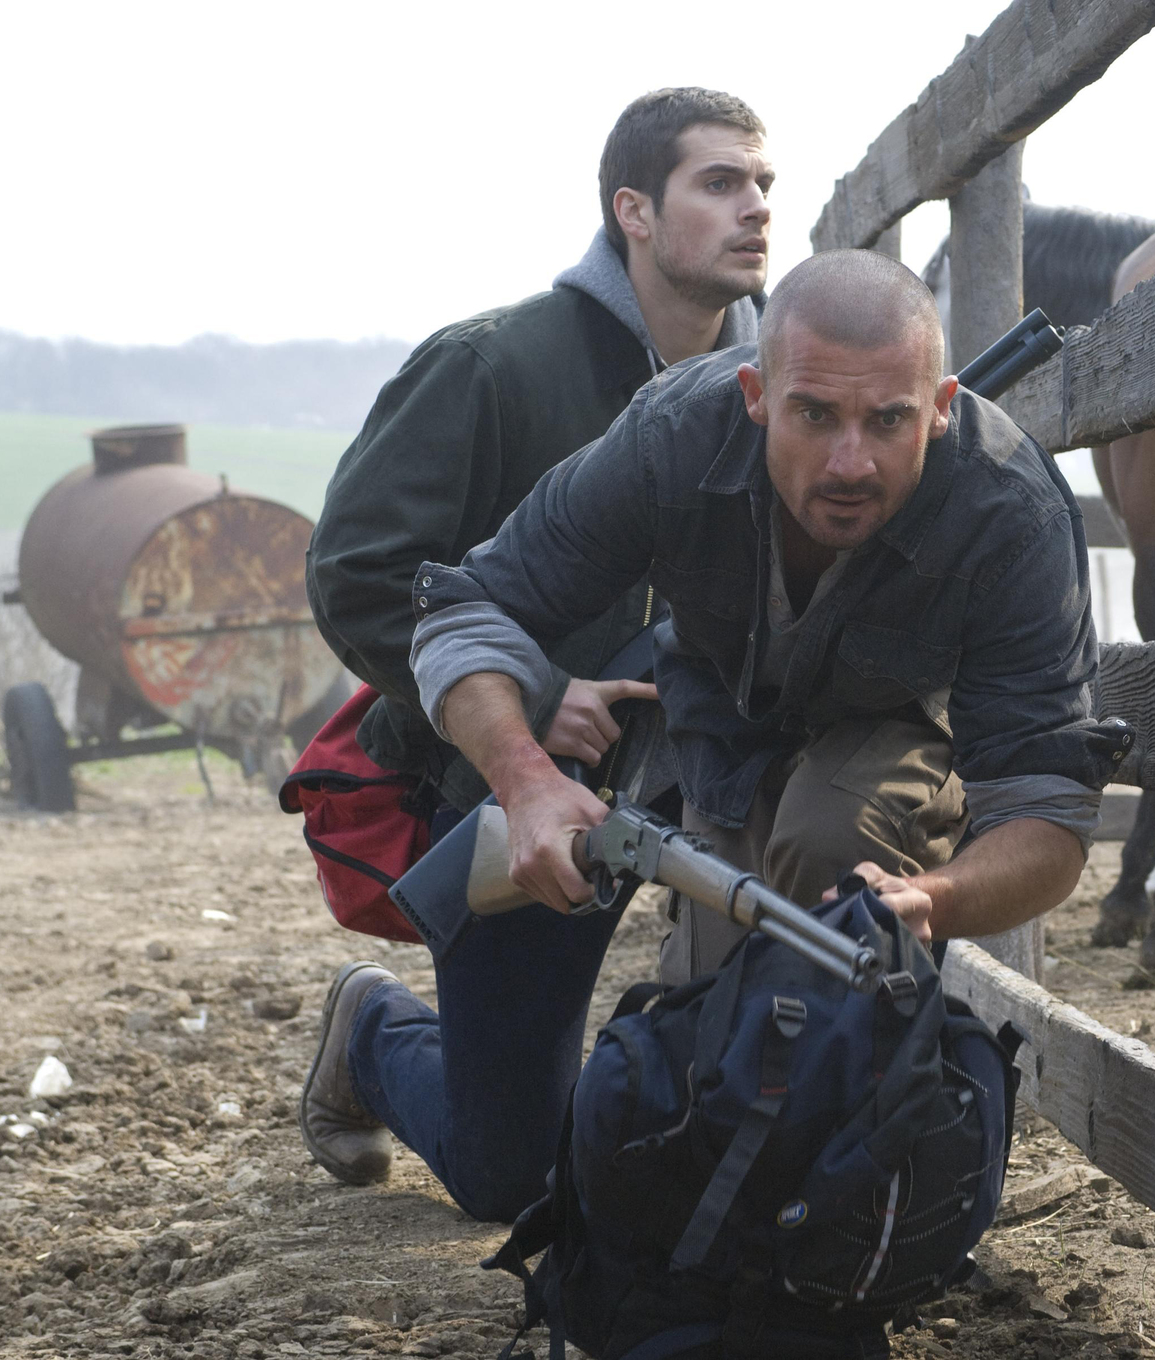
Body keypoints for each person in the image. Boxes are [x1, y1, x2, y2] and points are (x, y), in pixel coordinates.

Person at [301, 248, 1131, 1218]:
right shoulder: (666, 434)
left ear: (942, 405)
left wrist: (926, 900)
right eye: (813, 414)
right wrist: (525, 781)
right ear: (753, 395)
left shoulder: (1008, 509)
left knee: (833, 874)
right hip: (702, 746)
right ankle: (376, 1027)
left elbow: (1048, 808)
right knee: (560, 1161)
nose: (849, 461)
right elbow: (462, 607)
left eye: (888, 420)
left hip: (889, 738)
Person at [298, 87, 773, 1218]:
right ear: (634, 213)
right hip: (526, 799)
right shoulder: (491, 367)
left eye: (763, 185)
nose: (756, 209)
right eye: (719, 183)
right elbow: (356, 573)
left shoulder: (793, 393)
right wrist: (537, 691)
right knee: (511, 1176)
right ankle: (372, 1031)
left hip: (723, 792)